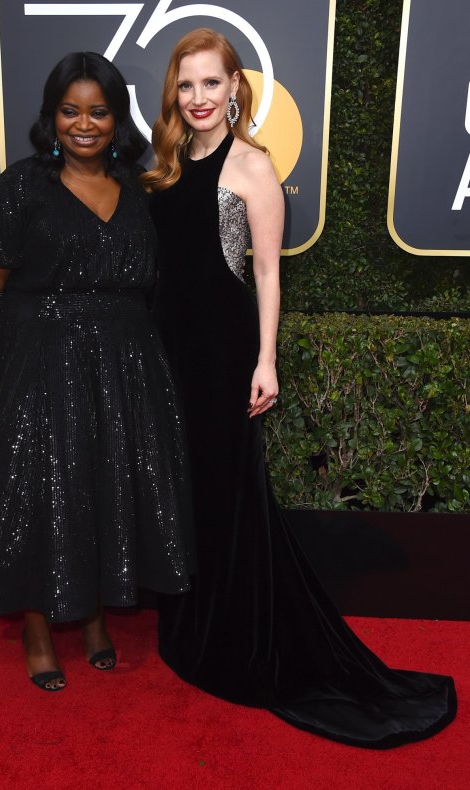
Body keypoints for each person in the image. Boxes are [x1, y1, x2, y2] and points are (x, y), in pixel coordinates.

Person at [143, 28, 456, 747]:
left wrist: (266, 360)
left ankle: (235, 637)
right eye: (186, 85)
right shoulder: (160, 166)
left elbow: (266, 273)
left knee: (229, 495)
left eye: (211, 84)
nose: (198, 98)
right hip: (167, 355)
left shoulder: (252, 166)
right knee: (184, 492)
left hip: (223, 356)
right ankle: (190, 629)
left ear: (234, 90)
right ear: (173, 92)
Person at [0, 52, 194, 691]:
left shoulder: (139, 187)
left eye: (99, 112)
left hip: (126, 368)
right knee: (41, 493)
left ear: (117, 118)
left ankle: (98, 615)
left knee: (109, 489)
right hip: (41, 365)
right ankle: (38, 626)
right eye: (70, 111)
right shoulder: (22, 186)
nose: (85, 124)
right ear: (52, 118)